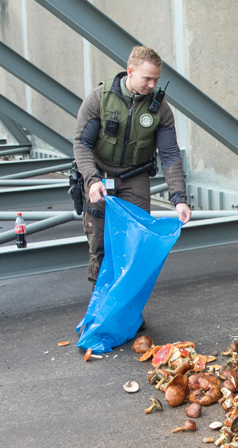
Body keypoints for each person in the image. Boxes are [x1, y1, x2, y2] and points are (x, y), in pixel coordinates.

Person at [73, 45, 192, 286]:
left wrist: (179, 198)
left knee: (136, 244)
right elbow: (82, 142)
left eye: (156, 79)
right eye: (147, 79)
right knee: (100, 245)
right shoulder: (99, 98)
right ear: (130, 71)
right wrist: (91, 180)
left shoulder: (159, 109)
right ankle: (103, 308)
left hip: (135, 175)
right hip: (100, 175)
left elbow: (169, 154)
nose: (152, 85)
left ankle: (128, 311)